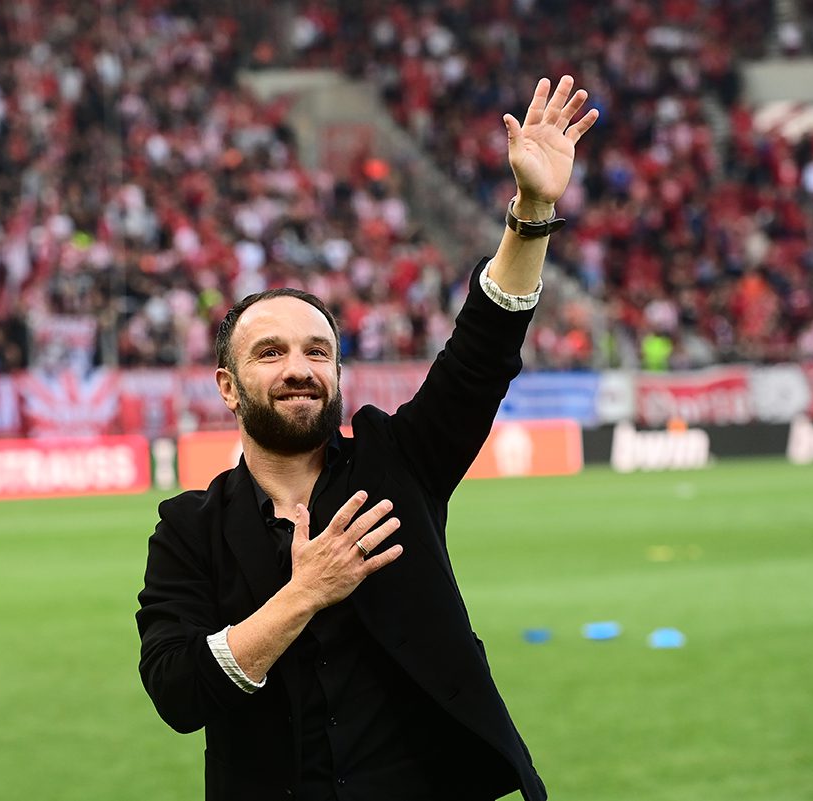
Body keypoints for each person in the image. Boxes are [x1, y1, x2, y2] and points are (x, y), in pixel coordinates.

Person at [137, 76, 599, 800]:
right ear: (227, 386)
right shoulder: (189, 530)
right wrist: (304, 593)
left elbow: (480, 354)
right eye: (270, 353)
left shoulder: (399, 464)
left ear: (338, 373)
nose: (299, 369)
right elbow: (177, 693)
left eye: (317, 352)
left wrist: (532, 213)